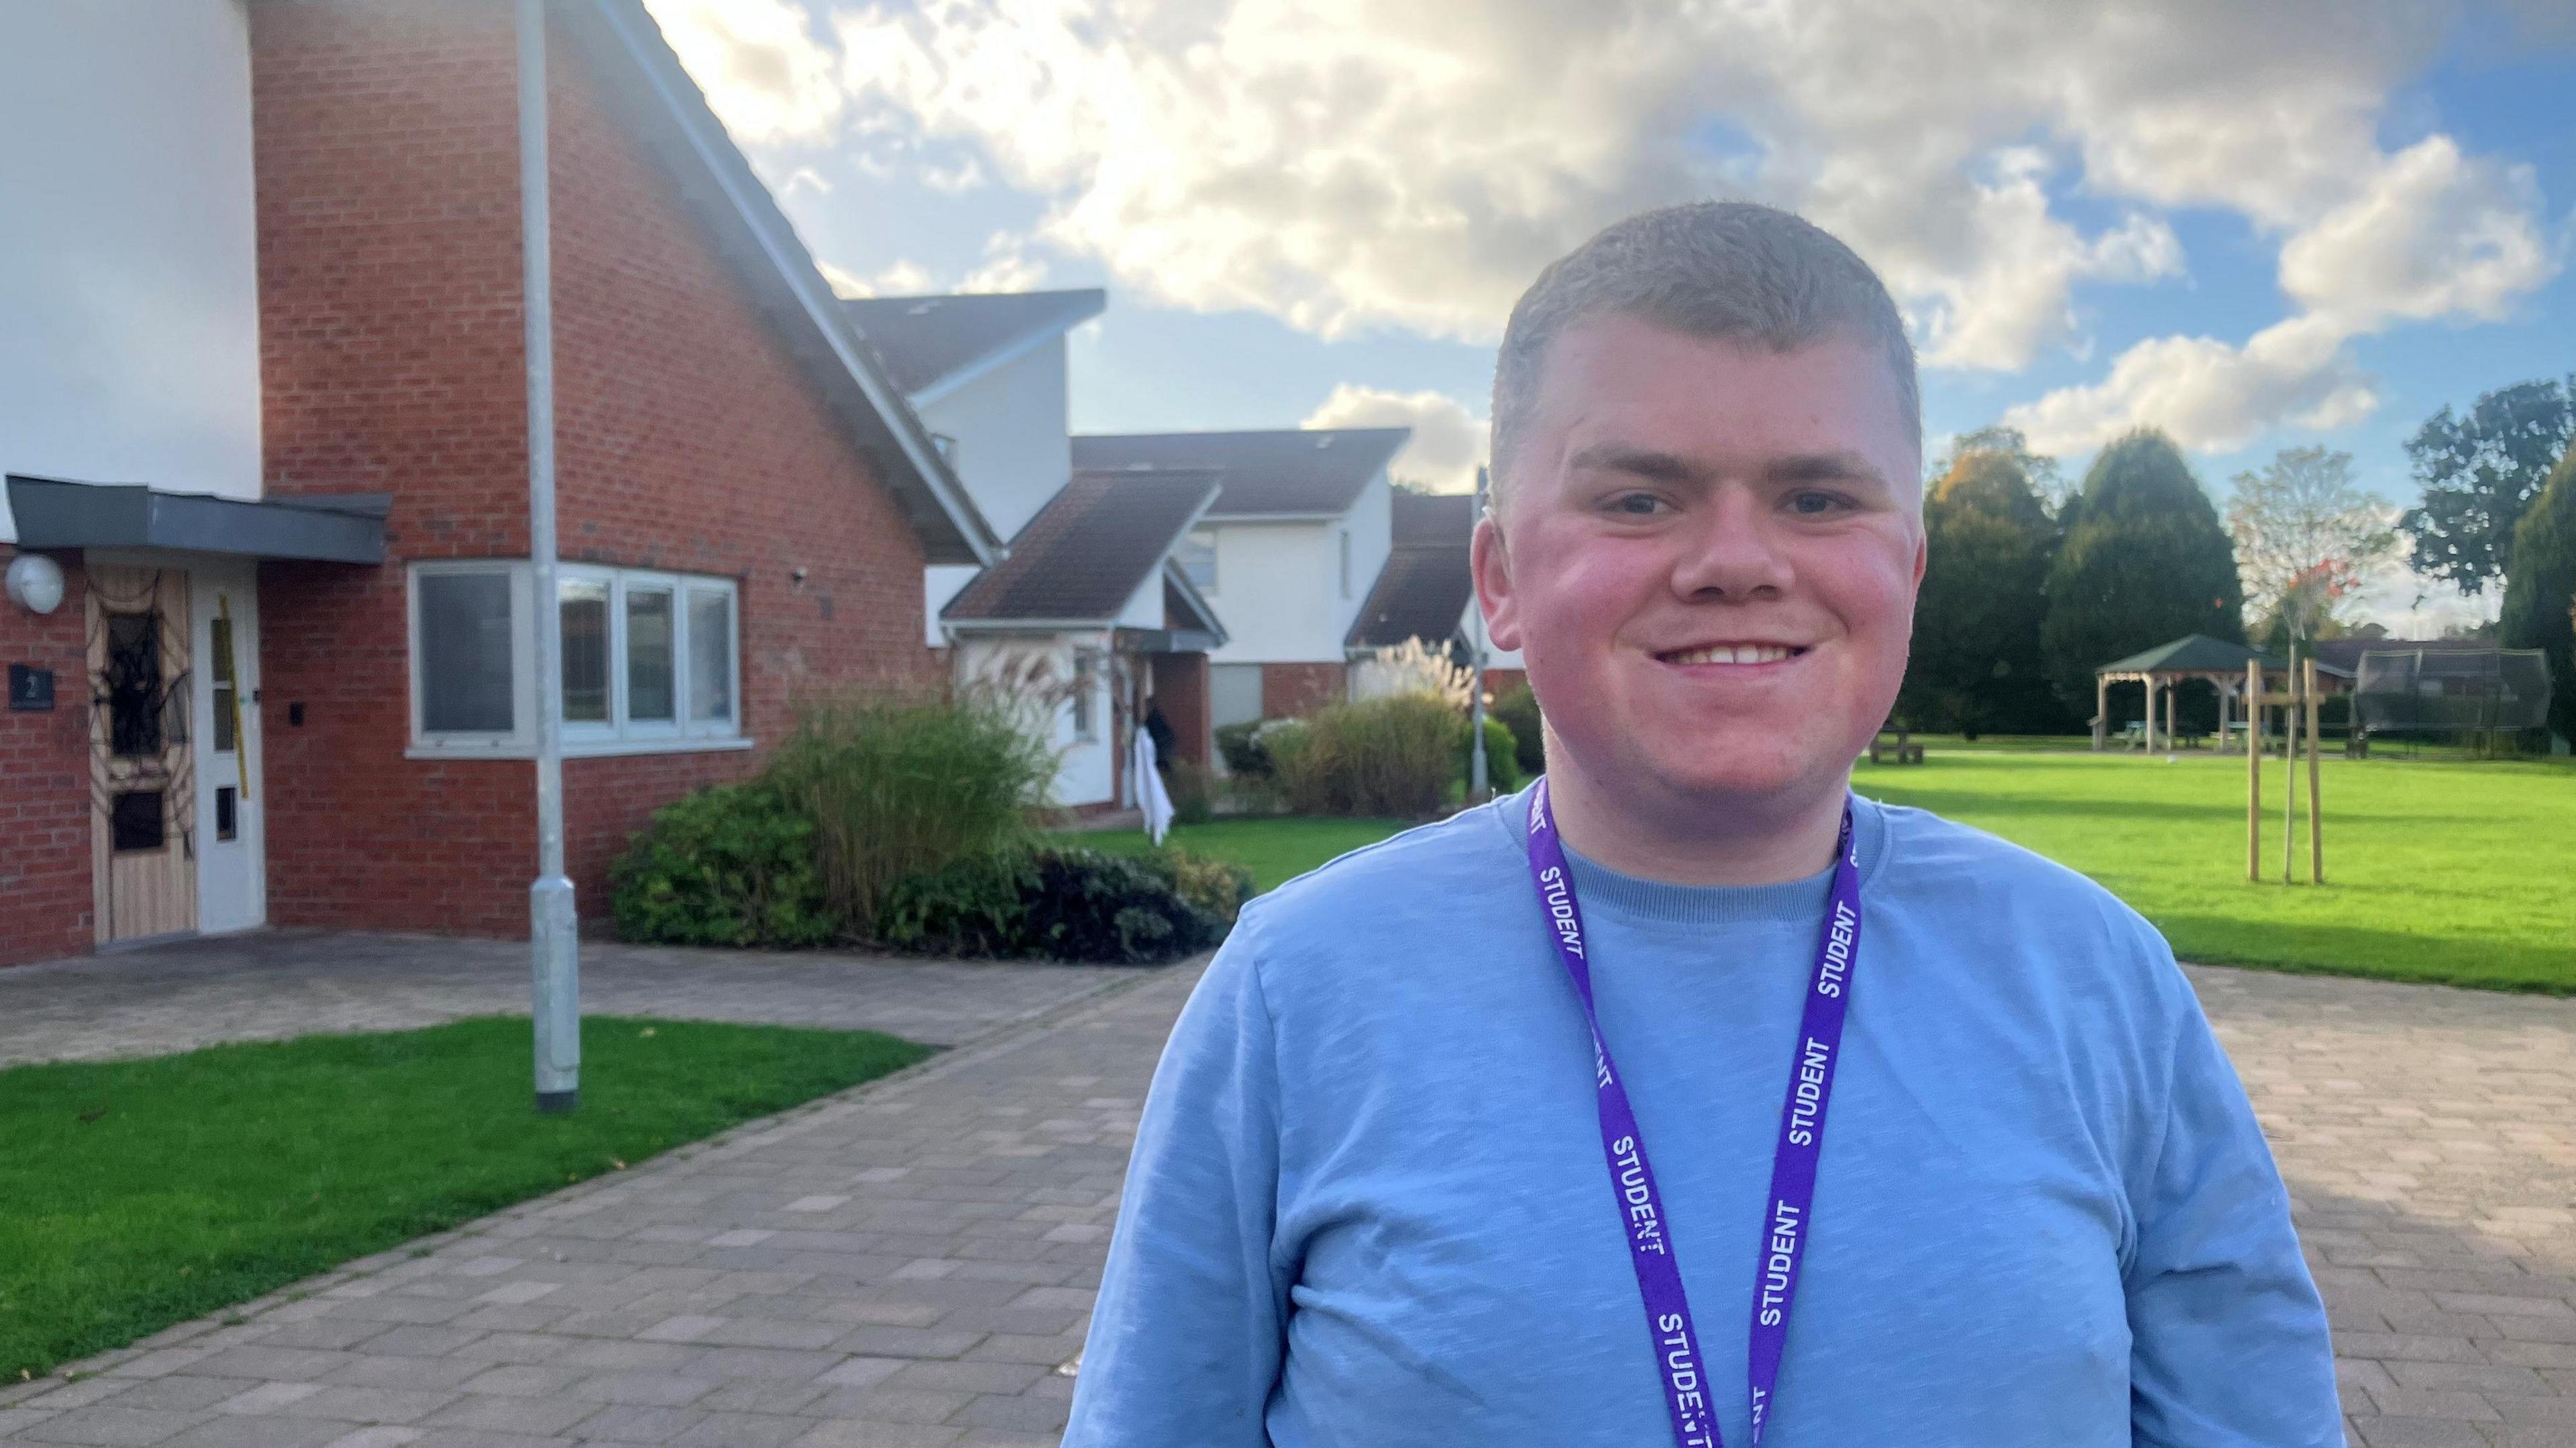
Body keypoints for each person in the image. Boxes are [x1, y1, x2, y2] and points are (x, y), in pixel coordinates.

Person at [1063, 202, 2340, 1447]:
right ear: (1500, 580)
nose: (1737, 559)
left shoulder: (2096, 981)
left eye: (1819, 499)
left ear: (1909, 570)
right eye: (1640, 500)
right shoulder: (1296, 994)